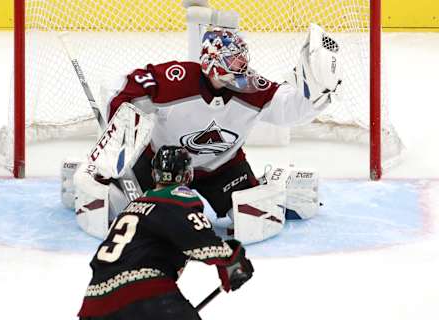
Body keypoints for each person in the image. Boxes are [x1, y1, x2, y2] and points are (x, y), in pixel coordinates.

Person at [68, 21, 340, 243]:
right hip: (161, 167)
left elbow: (289, 109)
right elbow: (125, 89)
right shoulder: (176, 79)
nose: (241, 69)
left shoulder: (252, 87)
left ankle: (273, 180)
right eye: (232, 63)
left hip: (222, 168)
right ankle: (90, 175)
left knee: (255, 222)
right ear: (211, 62)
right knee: (119, 214)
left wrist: (318, 94)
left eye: (241, 61)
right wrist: (119, 124)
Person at [77, 145, 254, 320]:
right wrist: (233, 258)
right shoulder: (178, 199)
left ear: (154, 174)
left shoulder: (134, 205)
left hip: (94, 303)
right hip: (143, 294)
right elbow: (206, 247)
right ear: (188, 174)